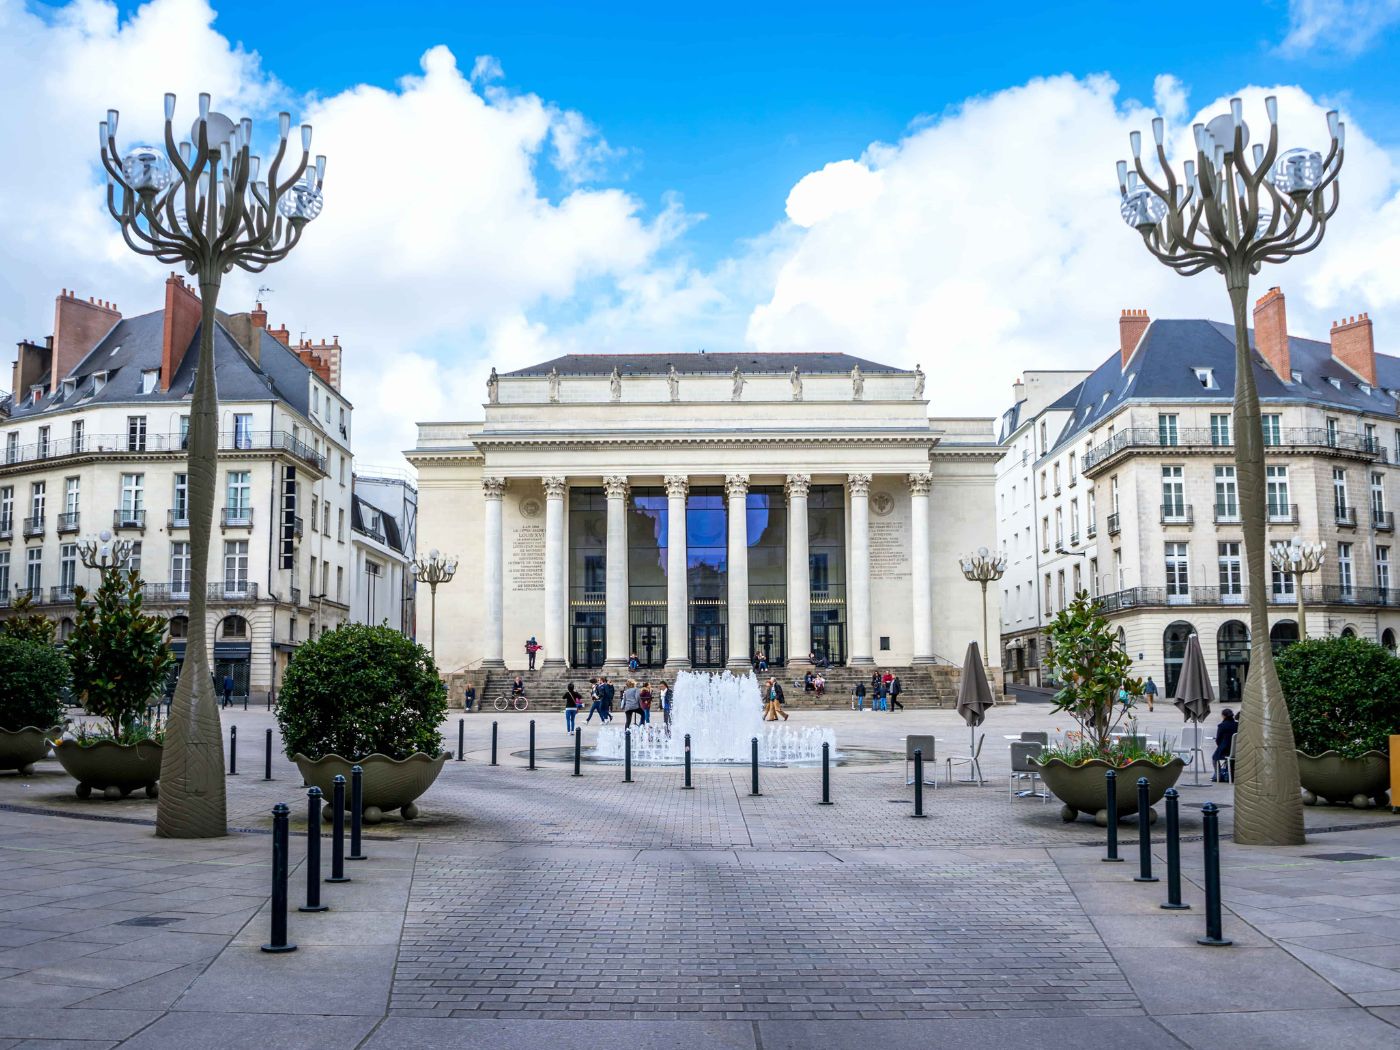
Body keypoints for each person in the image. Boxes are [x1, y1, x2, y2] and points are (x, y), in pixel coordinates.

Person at [1211, 709, 1239, 783]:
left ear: (1223, 716)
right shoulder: (1237, 725)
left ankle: (1218, 775)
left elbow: (1218, 740)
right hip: (1237, 750)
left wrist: (1221, 745)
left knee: (1214, 757)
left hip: (1225, 750)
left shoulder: (1222, 726)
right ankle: (1231, 774)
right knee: (1231, 759)